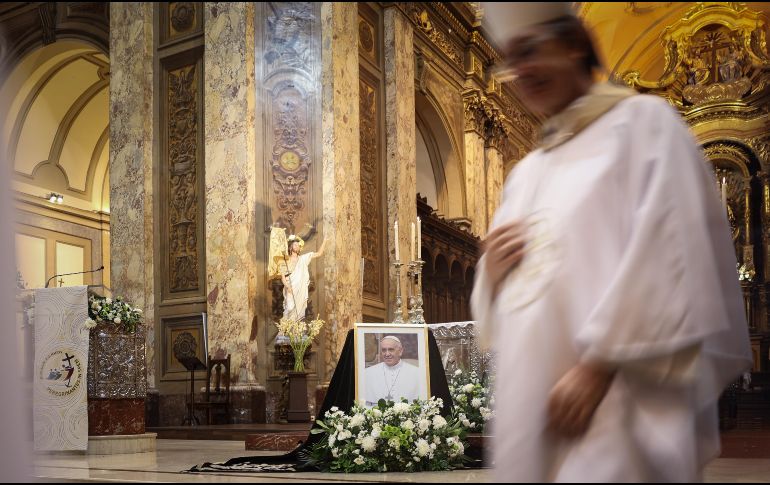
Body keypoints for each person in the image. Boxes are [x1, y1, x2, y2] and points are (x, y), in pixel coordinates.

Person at [473, 3, 752, 482]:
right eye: (513, 59)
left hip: (615, 401)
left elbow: (671, 250)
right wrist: (492, 277)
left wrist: (600, 366)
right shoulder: (526, 173)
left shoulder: (644, 125)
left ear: (575, 43)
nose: (524, 71)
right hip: (535, 406)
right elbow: (513, 300)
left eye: (533, 50)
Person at [363, 336, 421, 407]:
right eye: (384, 350)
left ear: (400, 351)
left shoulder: (416, 373)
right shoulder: (368, 373)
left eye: (391, 350)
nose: (387, 354)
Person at [281, 234, 327, 321]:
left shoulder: (303, 259)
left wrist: (325, 241)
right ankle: (286, 330)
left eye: (298, 245)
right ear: (290, 247)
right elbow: (283, 278)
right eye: (295, 245)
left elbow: (319, 254)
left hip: (301, 289)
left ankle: (296, 331)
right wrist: (288, 286)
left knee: (300, 310)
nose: (297, 246)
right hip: (290, 287)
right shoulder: (285, 261)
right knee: (290, 308)